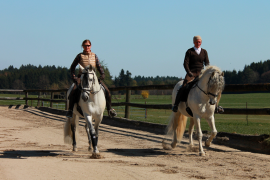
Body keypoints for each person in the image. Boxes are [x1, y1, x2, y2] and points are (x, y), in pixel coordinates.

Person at [172, 36, 224, 114]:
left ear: (201, 42)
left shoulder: (204, 52)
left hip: (201, 74)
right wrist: (189, 72)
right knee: (183, 86)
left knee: (212, 86)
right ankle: (176, 105)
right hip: (191, 73)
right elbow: (185, 63)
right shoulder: (189, 51)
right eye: (197, 42)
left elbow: (207, 64)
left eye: (199, 42)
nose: (198, 43)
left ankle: (216, 106)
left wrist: (207, 72)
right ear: (194, 42)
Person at [66, 39, 117, 118]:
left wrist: (102, 73)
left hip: (93, 78)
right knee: (73, 90)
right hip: (82, 77)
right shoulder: (79, 56)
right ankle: (70, 110)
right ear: (82, 46)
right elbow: (72, 67)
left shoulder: (94, 55)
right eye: (85, 45)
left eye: (88, 45)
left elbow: (99, 66)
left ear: (91, 46)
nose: (87, 47)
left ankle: (109, 110)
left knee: (107, 90)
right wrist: (74, 77)